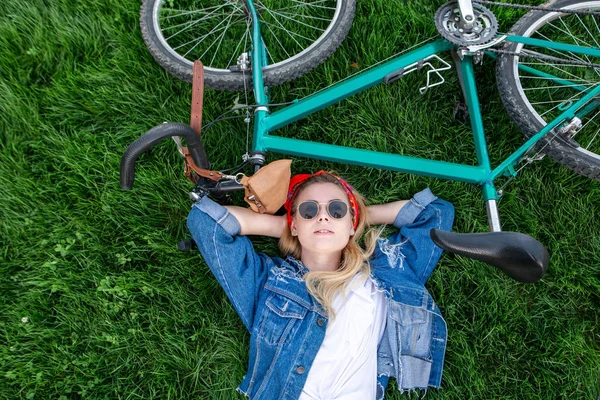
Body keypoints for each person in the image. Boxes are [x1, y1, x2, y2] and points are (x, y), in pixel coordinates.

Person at [186, 170, 454, 400]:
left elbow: (435, 213)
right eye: (309, 210)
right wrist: (282, 224)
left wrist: (360, 217)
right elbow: (206, 221)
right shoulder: (270, 282)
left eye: (336, 210)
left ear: (352, 224)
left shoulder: (385, 273)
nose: (323, 217)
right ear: (294, 224)